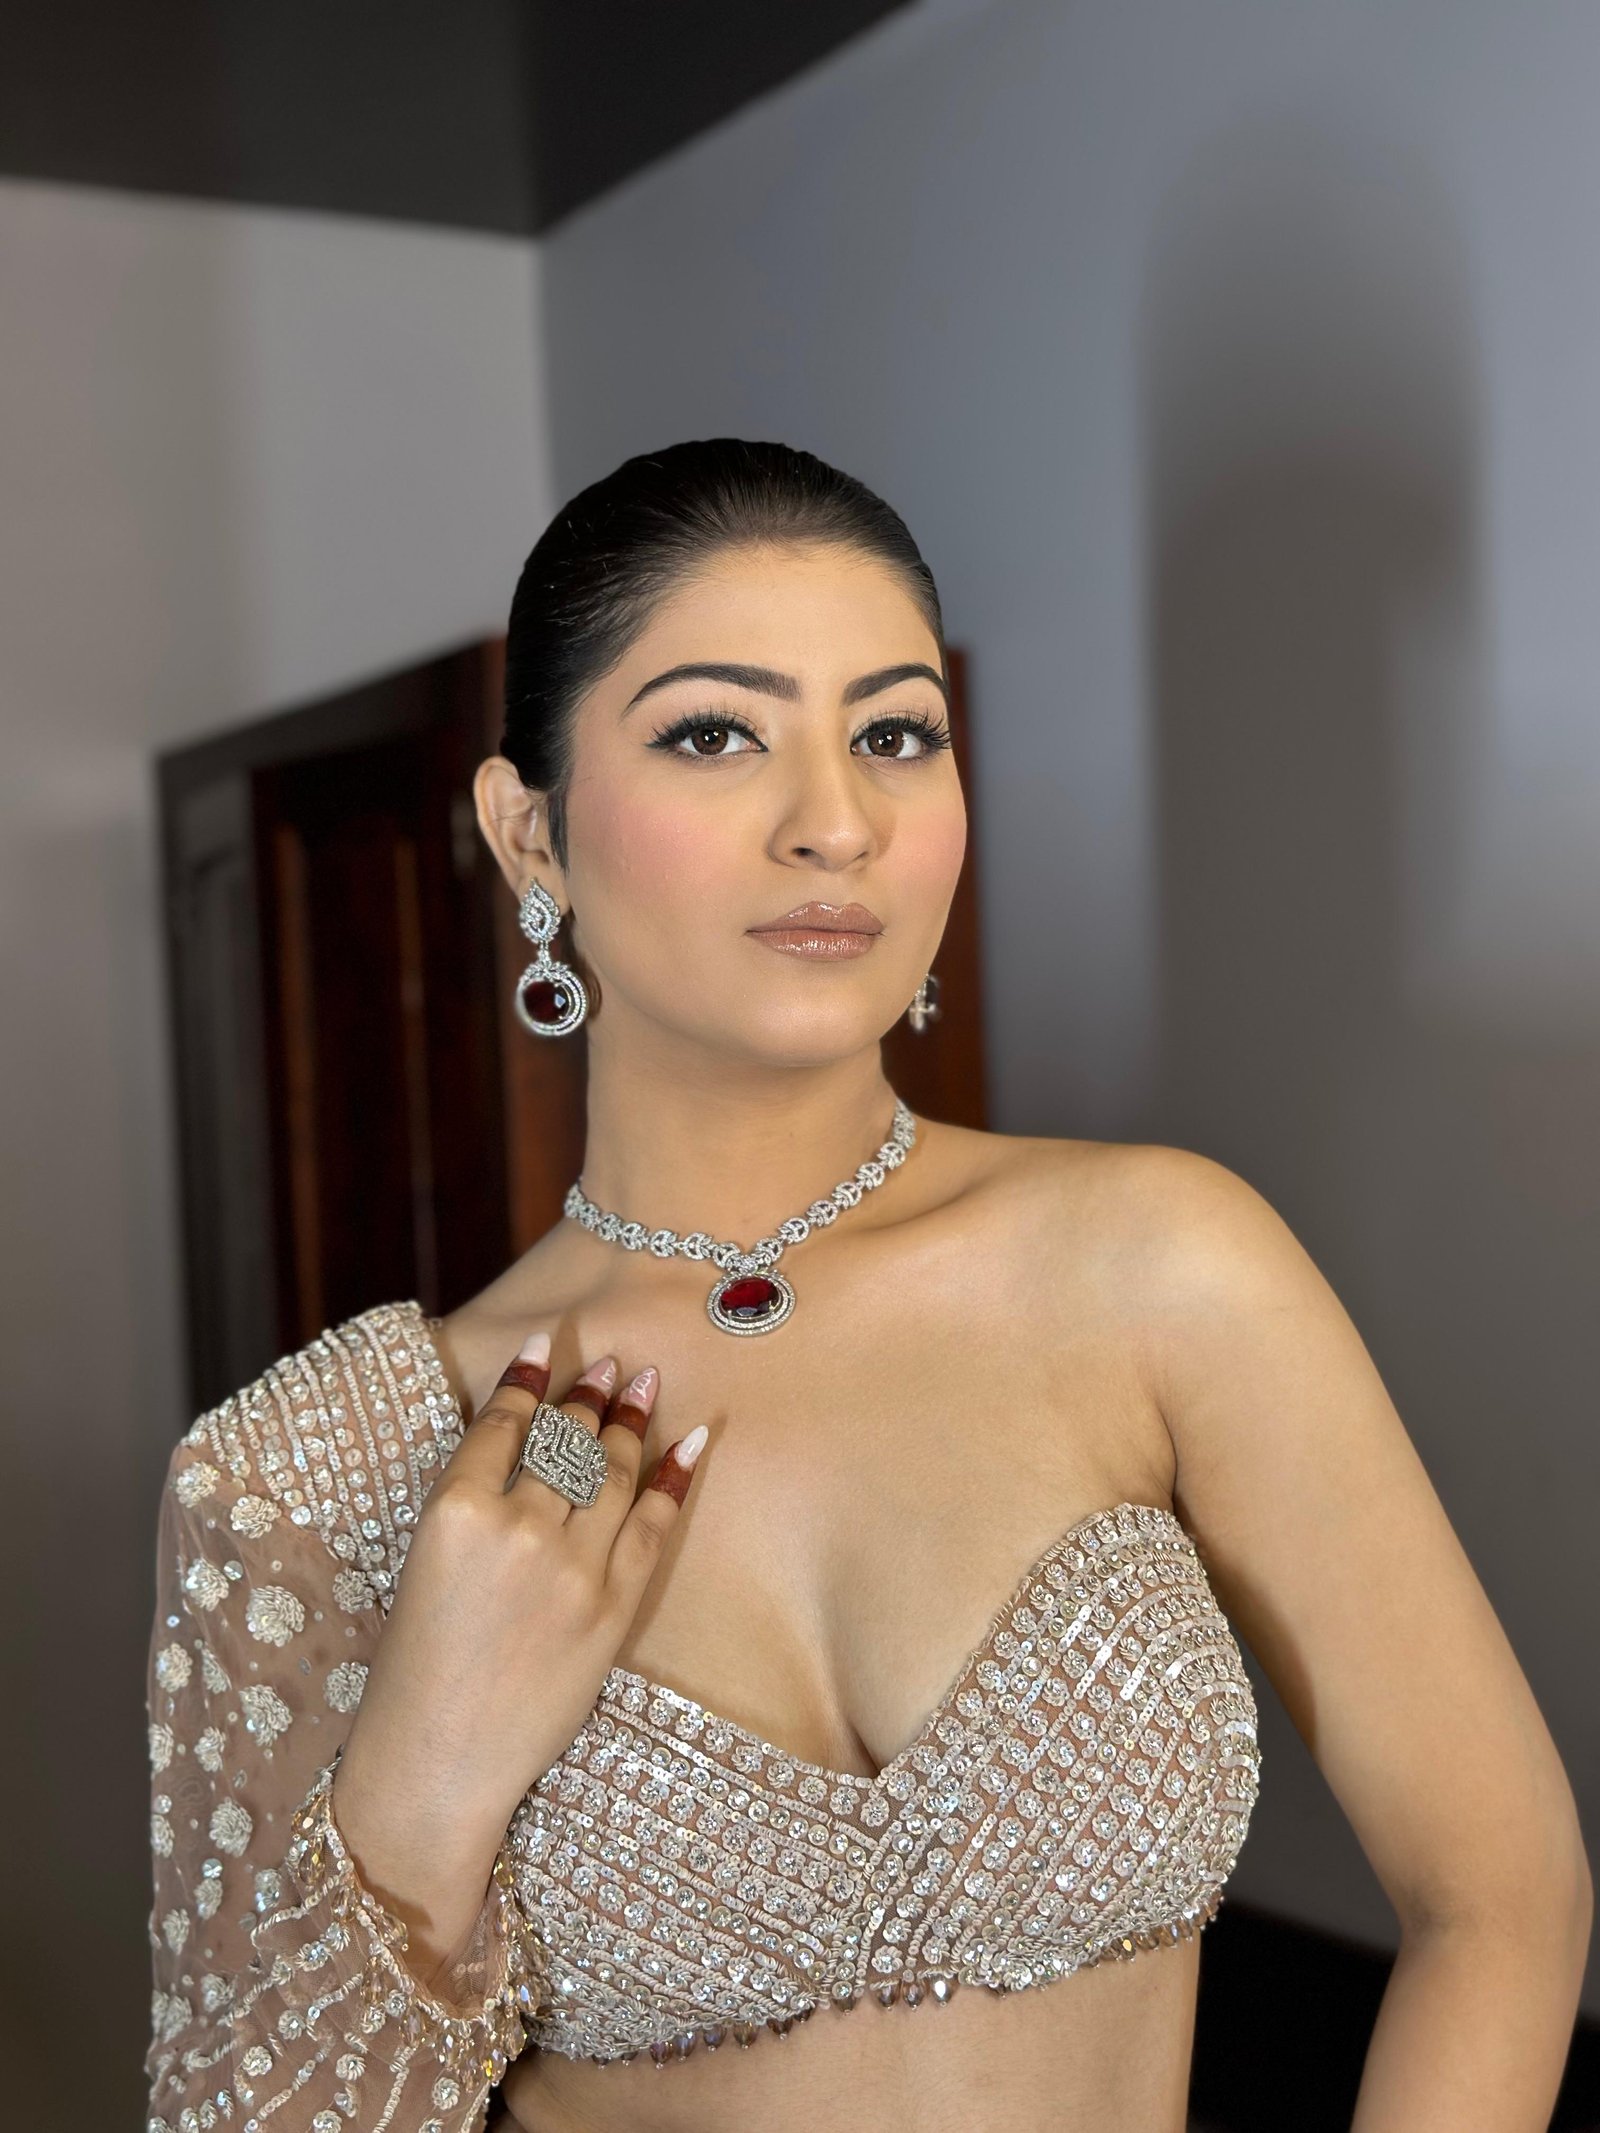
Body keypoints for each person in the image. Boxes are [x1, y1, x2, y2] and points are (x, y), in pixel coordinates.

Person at [144, 438, 1591, 2133]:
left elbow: (1503, 1899)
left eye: (895, 732)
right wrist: (424, 1771)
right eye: (714, 733)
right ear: (529, 833)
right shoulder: (320, 1471)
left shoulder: (1163, 1268)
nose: (836, 821)